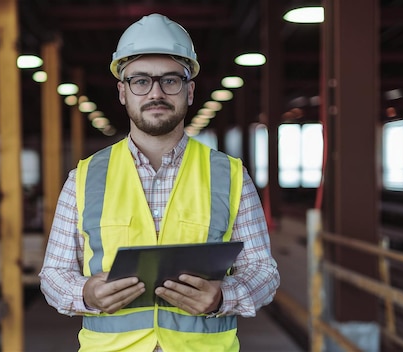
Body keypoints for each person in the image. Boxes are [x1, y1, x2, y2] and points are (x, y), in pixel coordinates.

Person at [39, 13, 280, 352]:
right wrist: (86, 293)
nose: (156, 92)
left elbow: (263, 271)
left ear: (190, 90)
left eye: (170, 80)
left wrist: (224, 296)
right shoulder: (84, 177)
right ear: (123, 92)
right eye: (140, 81)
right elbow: (53, 275)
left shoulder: (230, 175)